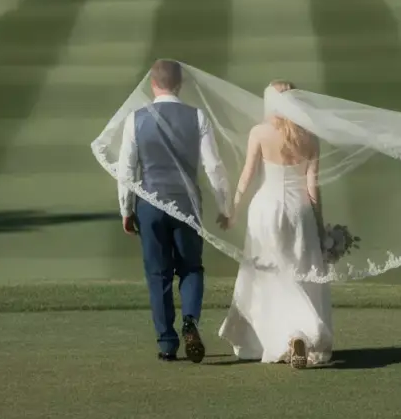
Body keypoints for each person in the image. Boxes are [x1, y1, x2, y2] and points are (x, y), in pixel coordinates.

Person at [116, 59, 232, 363]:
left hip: (150, 204)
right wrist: (224, 205)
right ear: (180, 84)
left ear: (152, 84)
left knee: (158, 274)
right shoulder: (196, 116)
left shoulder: (135, 118)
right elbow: (213, 166)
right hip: (186, 204)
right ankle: (190, 320)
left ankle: (167, 343)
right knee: (191, 268)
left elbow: (127, 169)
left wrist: (126, 210)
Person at [218, 80, 334, 369]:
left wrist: (232, 209)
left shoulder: (260, 132)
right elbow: (312, 188)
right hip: (299, 211)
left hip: (265, 209)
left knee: (269, 273)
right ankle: (300, 334)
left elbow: (247, 175)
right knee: (299, 270)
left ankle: (289, 334)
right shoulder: (309, 137)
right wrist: (320, 228)